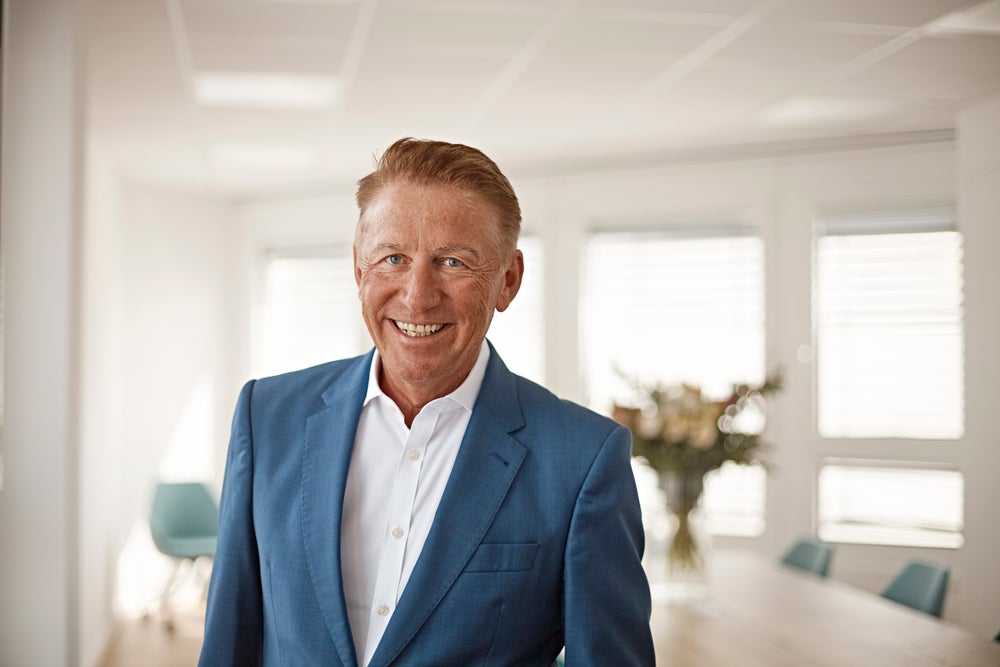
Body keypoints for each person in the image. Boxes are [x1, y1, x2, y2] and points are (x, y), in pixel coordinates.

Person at [199, 138, 655, 666]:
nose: (418, 295)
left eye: (453, 261)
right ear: (358, 269)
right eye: (393, 258)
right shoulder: (267, 415)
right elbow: (229, 642)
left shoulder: (582, 459)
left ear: (508, 280)